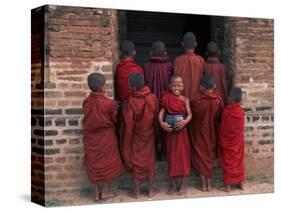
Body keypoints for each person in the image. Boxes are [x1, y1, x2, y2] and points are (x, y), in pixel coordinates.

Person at [82, 73, 124, 201]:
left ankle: (96, 193)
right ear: (103, 87)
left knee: (93, 162)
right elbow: (114, 119)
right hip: (106, 137)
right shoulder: (109, 103)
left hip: (90, 137)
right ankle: (105, 191)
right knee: (106, 163)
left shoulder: (86, 102)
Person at [121, 73, 158, 199]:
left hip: (136, 136)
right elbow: (156, 117)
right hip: (150, 134)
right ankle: (151, 191)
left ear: (134, 88)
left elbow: (129, 124)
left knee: (137, 162)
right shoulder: (153, 98)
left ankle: (136, 192)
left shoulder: (130, 101)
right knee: (150, 162)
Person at [189, 74, 224, 192]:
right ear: (214, 86)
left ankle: (203, 185)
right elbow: (220, 116)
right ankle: (210, 184)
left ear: (201, 87)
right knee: (209, 156)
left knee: (200, 155)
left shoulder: (197, 100)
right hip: (212, 131)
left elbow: (192, 116)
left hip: (199, 131)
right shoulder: (218, 100)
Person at [159, 75, 192, 196]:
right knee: (172, 158)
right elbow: (161, 113)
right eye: (174, 85)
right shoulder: (167, 98)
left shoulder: (185, 100)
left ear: (183, 86)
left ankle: (183, 185)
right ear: (169, 86)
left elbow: (189, 115)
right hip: (170, 133)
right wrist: (161, 123)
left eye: (179, 85)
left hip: (181, 132)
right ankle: (173, 185)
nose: (176, 87)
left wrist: (185, 122)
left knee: (183, 158)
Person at [144, 40, 173, 160]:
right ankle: (165, 154)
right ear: (165, 52)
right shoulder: (169, 66)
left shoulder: (146, 66)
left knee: (153, 128)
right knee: (167, 128)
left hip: (151, 102)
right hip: (167, 102)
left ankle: (154, 154)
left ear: (151, 52)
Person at [219, 87, 245, 192]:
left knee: (228, 162)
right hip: (237, 142)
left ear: (229, 98)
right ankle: (240, 183)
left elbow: (223, 128)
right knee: (238, 162)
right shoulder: (241, 112)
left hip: (227, 142)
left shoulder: (226, 111)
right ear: (241, 100)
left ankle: (228, 186)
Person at [173, 32, 204, 101]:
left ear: (182, 44)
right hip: (197, 101)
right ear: (195, 44)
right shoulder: (201, 60)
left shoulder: (177, 60)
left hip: (181, 100)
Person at [204, 41, 228, 106]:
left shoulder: (203, 66)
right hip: (220, 101)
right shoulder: (223, 67)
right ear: (218, 52)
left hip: (207, 101)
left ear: (206, 53)